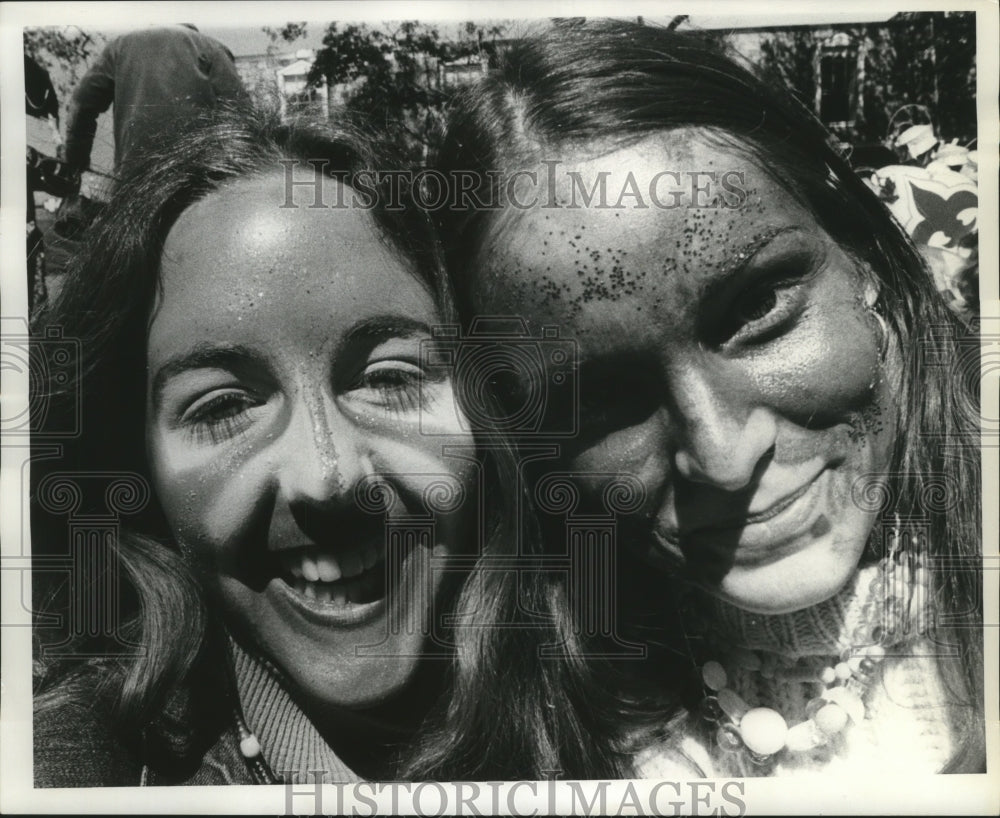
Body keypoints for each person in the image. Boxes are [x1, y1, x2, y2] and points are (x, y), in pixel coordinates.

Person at [409, 20, 984, 779]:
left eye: (755, 312)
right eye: (601, 395)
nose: (721, 454)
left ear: (860, 254)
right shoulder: (548, 729)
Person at [31, 104, 485, 785]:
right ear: (136, 467)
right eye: (226, 406)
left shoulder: (641, 691)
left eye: (388, 377)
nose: (326, 477)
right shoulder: (92, 772)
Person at [62, 24, 247, 177]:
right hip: (197, 174)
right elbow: (242, 116)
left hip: (136, 177)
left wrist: (75, 161)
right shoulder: (211, 48)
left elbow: (80, 105)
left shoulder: (119, 47)